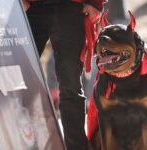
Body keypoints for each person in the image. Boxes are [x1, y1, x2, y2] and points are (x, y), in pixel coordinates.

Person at [23, 0, 106, 149]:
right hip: (32, 6)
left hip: (72, 7)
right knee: (17, 81)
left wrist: (96, 3)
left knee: (71, 87)